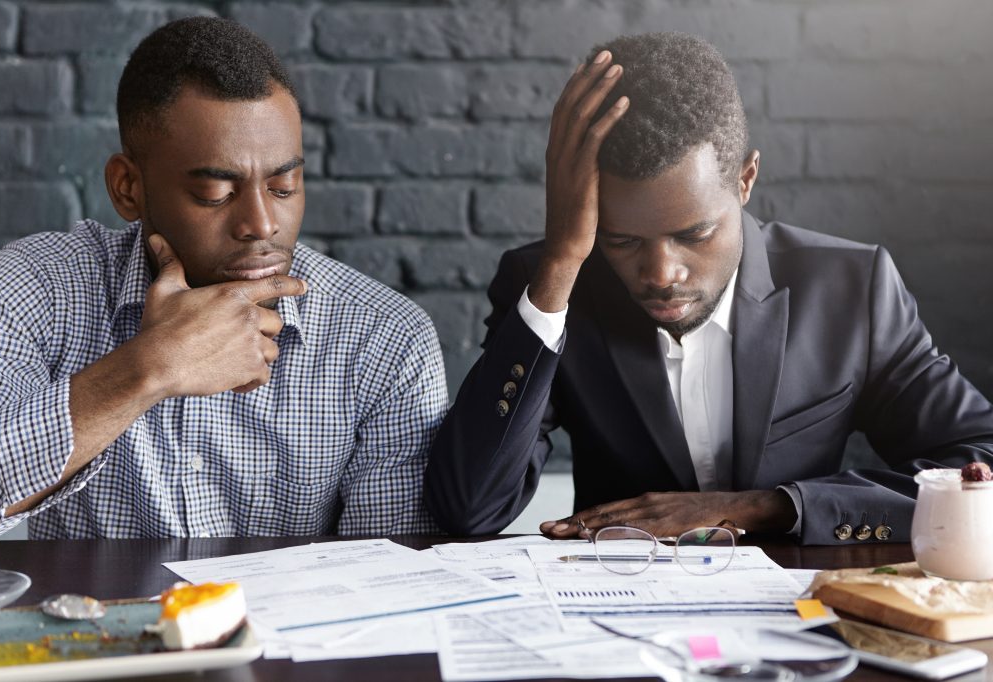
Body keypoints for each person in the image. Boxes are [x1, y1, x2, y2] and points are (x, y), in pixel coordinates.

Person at [424, 32, 993, 545]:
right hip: (620, 623)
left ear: (745, 180)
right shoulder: (553, 285)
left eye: (694, 234)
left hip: (799, 621)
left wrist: (762, 508)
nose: (662, 272)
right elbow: (469, 509)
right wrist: (563, 260)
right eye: (621, 240)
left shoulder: (851, 289)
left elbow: (983, 466)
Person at [0, 17, 447, 551]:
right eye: (216, 193)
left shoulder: (385, 338)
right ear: (128, 189)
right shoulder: (38, 286)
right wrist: (150, 367)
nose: (262, 224)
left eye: (284, 186)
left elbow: (395, 583)